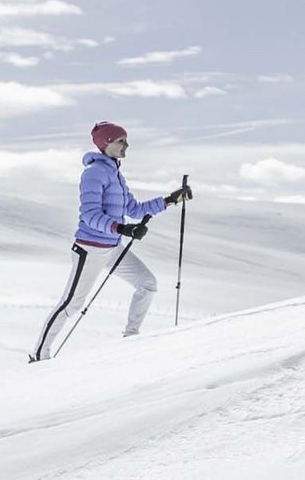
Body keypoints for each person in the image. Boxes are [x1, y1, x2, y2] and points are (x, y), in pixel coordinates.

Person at [30, 121, 192, 361]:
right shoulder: (93, 173)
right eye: (121, 141)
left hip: (113, 247)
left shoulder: (116, 174)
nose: (126, 145)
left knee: (147, 283)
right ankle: (39, 355)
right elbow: (89, 214)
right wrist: (121, 228)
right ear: (106, 143)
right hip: (91, 249)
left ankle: (131, 337)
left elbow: (134, 209)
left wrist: (170, 200)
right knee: (72, 304)